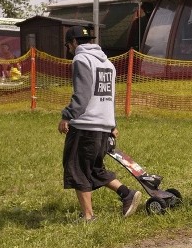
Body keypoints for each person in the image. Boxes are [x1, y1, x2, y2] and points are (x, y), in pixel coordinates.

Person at [58, 25, 141, 221]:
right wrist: (111, 124)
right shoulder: (107, 63)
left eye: (68, 44)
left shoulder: (81, 59)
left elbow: (83, 94)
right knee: (94, 168)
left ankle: (88, 216)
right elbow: (109, 95)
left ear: (74, 43)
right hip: (103, 125)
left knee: (76, 168)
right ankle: (127, 194)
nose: (69, 49)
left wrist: (67, 115)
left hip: (85, 125)